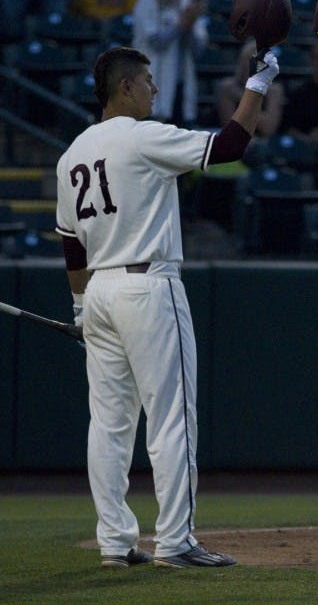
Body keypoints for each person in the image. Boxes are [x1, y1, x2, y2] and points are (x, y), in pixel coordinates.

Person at [54, 44, 280, 568]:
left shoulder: (73, 154)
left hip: (101, 291)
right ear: (126, 88)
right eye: (148, 81)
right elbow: (229, 145)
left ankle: (115, 541)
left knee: (108, 425)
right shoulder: (143, 137)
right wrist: (259, 84)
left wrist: (79, 306)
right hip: (147, 285)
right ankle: (176, 541)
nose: (155, 89)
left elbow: (71, 243)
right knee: (172, 419)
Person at [131, 0, 208, 128]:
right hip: (152, 80)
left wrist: (188, 26)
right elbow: (157, 43)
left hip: (182, 82)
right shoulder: (146, 2)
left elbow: (198, 51)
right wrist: (182, 24)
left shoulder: (187, 3)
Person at [216, 38, 284, 138]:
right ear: (241, 62)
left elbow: (268, 128)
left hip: (263, 143)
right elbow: (230, 128)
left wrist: (242, 98)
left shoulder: (274, 90)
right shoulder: (227, 88)